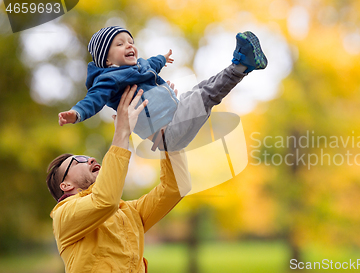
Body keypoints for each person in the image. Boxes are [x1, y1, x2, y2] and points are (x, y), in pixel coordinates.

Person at [47, 84, 191, 272]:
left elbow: (177, 187)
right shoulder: (63, 215)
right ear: (65, 185)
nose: (89, 159)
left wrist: (166, 135)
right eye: (77, 161)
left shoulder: (129, 212)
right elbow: (106, 200)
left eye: (86, 157)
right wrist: (122, 130)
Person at [58, 26, 267, 151]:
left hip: (175, 113)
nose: (129, 46)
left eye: (130, 41)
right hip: (167, 133)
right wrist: (76, 113)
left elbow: (152, 63)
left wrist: (163, 59)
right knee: (206, 95)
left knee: (201, 88)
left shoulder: (139, 66)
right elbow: (93, 100)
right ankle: (242, 65)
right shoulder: (108, 79)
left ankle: (240, 63)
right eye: (120, 44)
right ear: (106, 59)